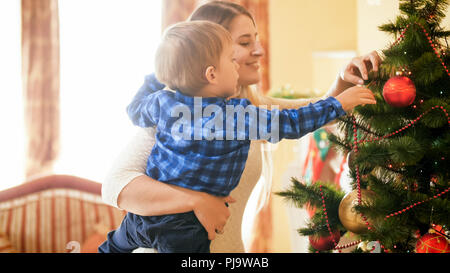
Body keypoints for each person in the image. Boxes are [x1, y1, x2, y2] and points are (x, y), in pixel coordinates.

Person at [101, 1, 382, 253]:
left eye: (256, 39)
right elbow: (115, 186)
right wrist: (198, 202)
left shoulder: (231, 108)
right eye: (244, 43)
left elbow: (311, 112)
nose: (259, 50)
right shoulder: (212, 115)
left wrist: (344, 80)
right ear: (209, 61)